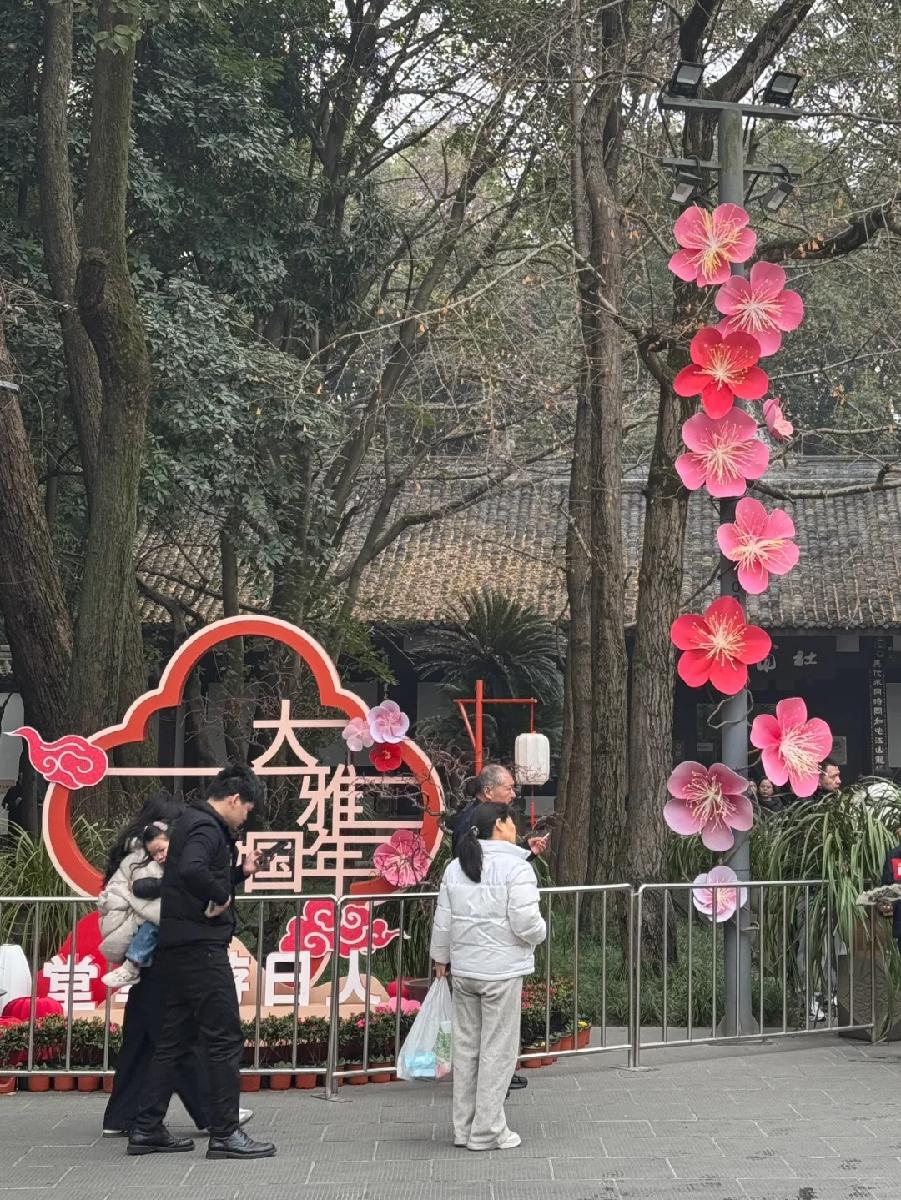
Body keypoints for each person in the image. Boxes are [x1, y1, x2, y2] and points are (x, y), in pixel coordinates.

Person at [127, 764, 275, 1160]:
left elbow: (189, 875)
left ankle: (146, 1127)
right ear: (234, 799)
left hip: (178, 947)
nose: (245, 818)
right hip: (201, 949)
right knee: (225, 1037)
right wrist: (221, 896)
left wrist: (239, 873)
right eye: (247, 810)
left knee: (174, 1040)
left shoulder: (190, 823)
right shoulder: (207, 828)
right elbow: (193, 870)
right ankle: (225, 1133)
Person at [99, 793, 251, 1139]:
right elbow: (169, 899)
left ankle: (122, 1116)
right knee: (176, 1037)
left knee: (143, 1039)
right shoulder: (148, 859)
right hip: (160, 955)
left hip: (147, 959)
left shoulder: (137, 854)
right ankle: (212, 1113)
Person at [430, 801, 546, 1152]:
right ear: (499, 824)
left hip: (465, 971)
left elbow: (443, 920)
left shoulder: (455, 866)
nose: (516, 827)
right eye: (511, 821)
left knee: (466, 1050)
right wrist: (540, 933)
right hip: (501, 972)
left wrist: (440, 958)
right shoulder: (517, 867)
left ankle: (464, 1128)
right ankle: (488, 1131)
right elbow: (526, 923)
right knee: (498, 1051)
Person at [450, 763, 548, 1095]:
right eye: (508, 787)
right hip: (494, 958)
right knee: (494, 1031)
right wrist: (538, 933)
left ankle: (478, 1096)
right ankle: (491, 1095)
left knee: (476, 1033)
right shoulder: (473, 825)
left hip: (469, 956)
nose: (512, 793)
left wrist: (527, 854)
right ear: (489, 791)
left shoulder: (469, 858)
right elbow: (522, 916)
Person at [99, 823, 169, 989]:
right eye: (154, 854)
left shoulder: (185, 859)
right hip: (142, 921)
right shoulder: (139, 861)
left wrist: (138, 887)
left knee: (150, 926)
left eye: (161, 850)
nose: (159, 856)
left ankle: (132, 966)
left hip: (168, 923)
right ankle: (132, 965)